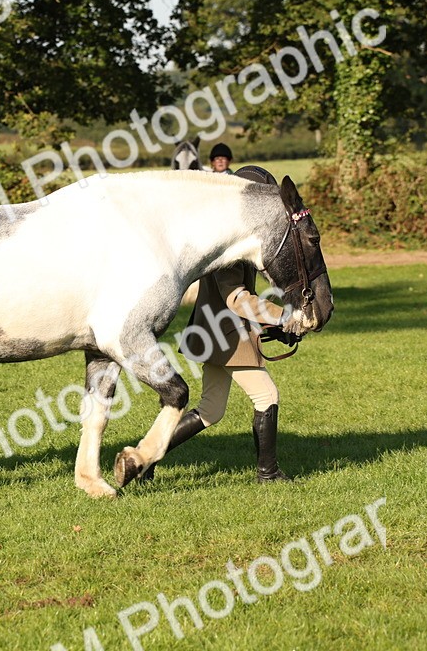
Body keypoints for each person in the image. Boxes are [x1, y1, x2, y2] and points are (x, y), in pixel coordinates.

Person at [118, 165, 299, 485]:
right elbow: (237, 299)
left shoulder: (229, 238)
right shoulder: (230, 248)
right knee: (266, 396)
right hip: (228, 336)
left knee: (211, 410)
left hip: (217, 334)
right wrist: (283, 316)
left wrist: (275, 327)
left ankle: (146, 458)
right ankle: (268, 473)